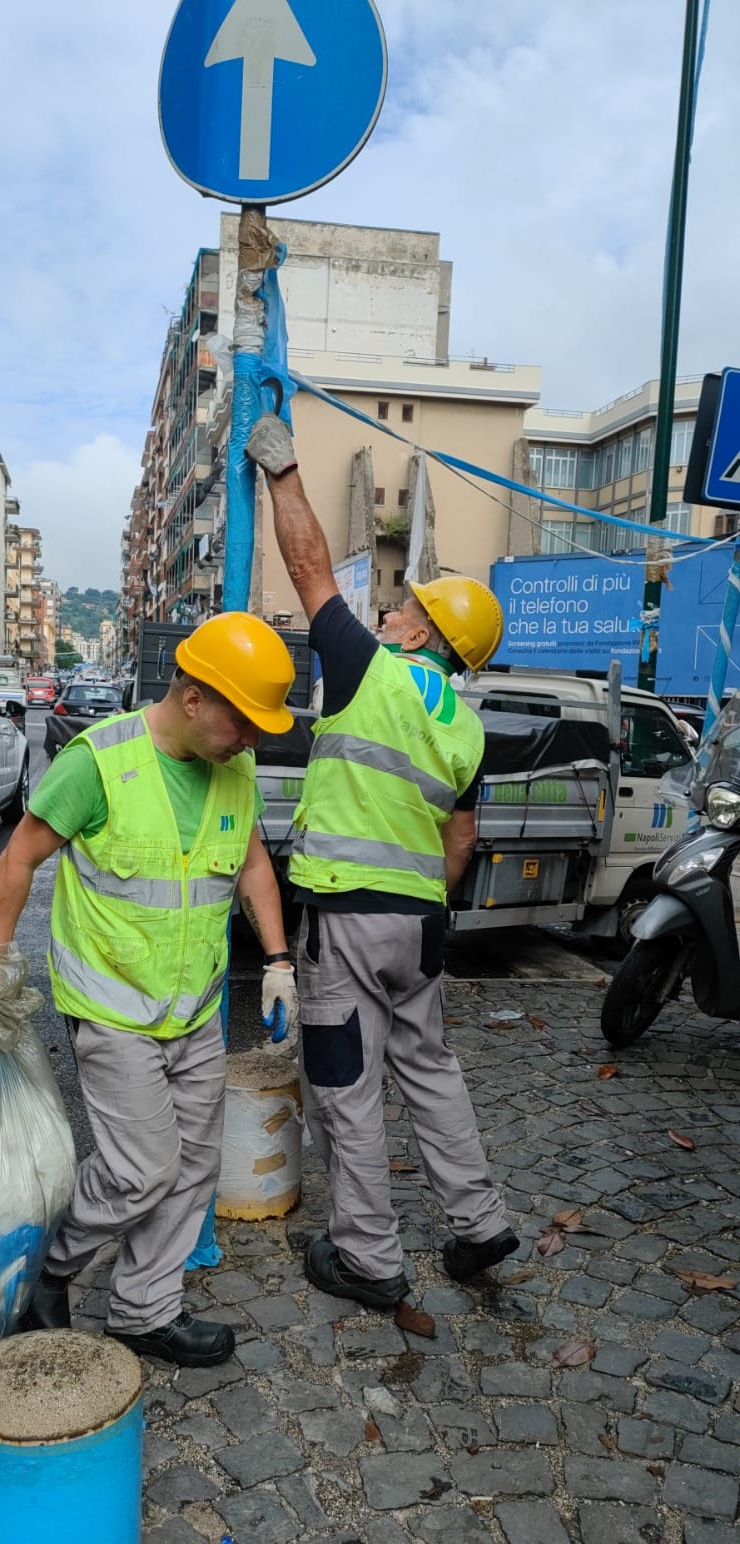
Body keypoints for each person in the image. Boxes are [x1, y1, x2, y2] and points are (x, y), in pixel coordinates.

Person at [245, 415, 519, 1311]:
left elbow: (309, 570)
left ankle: (368, 1255)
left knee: (344, 1084)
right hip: (419, 922)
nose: (390, 607)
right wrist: (422, 907)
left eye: (406, 603)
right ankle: (477, 1222)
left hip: (347, 918)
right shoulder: (466, 724)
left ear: (425, 630)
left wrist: (284, 471)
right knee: (429, 1066)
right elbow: (462, 840)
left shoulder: (370, 668)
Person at [0, 612, 300, 1368]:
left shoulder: (235, 768)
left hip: (194, 1006)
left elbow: (250, 860)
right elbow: (21, 855)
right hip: (110, 1004)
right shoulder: (98, 762)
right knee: (142, 1165)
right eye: (242, 722)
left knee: (192, 1166)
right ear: (192, 698)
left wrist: (278, 958)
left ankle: (143, 1309)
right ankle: (50, 1267)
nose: (251, 738)